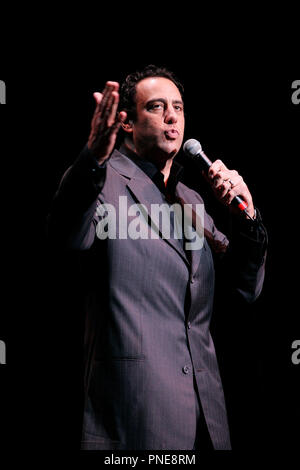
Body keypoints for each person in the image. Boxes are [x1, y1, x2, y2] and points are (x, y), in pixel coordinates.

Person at [47, 65, 267, 450]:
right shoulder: (104, 182)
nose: (172, 117)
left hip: (205, 419)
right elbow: (66, 232)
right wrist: (91, 159)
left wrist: (246, 217)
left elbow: (243, 289)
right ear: (127, 123)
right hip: (135, 418)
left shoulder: (194, 201)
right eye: (157, 107)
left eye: (179, 108)